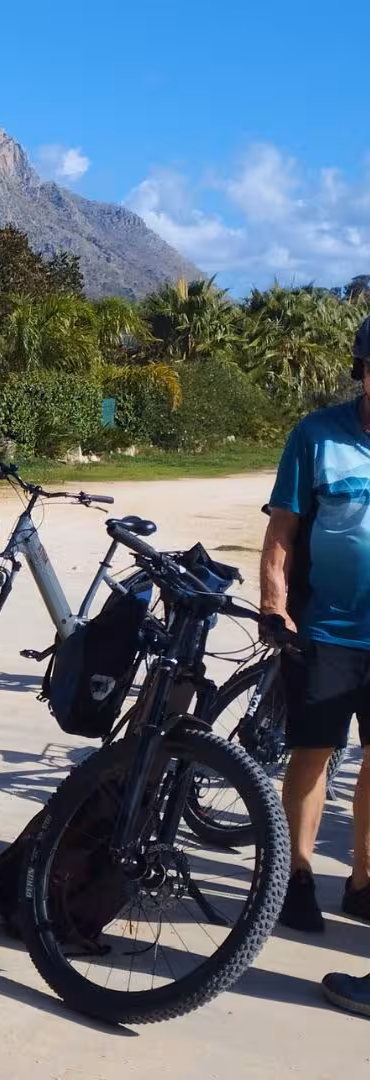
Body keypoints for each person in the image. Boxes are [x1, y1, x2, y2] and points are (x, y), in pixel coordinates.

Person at [266, 315, 370, 956]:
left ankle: (363, 880)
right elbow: (282, 531)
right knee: (312, 755)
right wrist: (276, 603)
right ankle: (296, 872)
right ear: (363, 369)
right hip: (327, 629)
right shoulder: (316, 435)